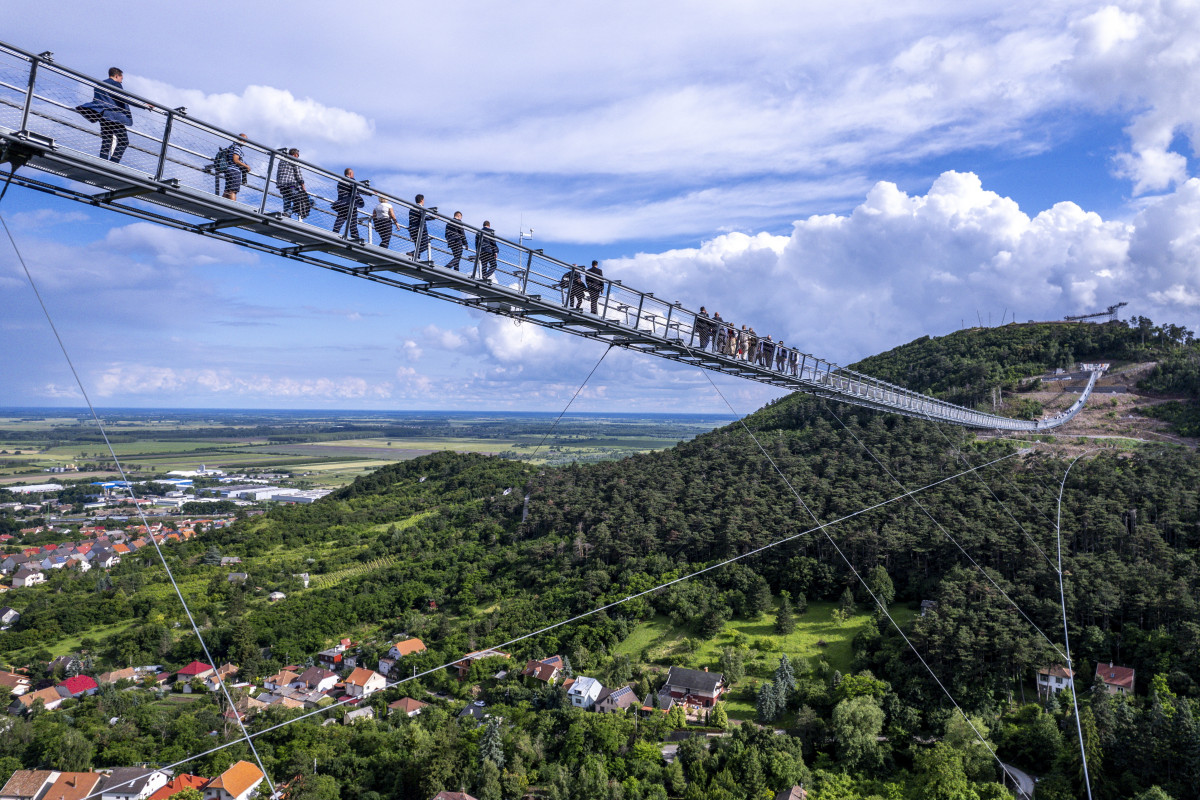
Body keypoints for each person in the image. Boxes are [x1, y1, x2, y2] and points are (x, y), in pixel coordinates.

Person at [75, 67, 147, 163]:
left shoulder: (99, 85)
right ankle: (113, 162)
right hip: (114, 116)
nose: (121, 82)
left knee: (107, 140)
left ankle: (103, 163)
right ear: (117, 76)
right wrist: (144, 105)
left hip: (102, 115)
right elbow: (125, 99)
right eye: (121, 79)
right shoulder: (115, 84)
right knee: (124, 141)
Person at [332, 168, 367, 241]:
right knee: (353, 223)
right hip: (350, 204)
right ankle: (355, 238)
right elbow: (357, 189)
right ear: (350, 173)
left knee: (340, 220)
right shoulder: (351, 180)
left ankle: (334, 234)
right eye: (353, 174)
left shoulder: (340, 181)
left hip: (342, 204)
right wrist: (370, 193)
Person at [276, 148, 308, 218]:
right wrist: (303, 187)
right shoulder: (294, 160)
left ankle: (287, 217)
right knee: (303, 199)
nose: (298, 157)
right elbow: (298, 175)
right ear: (295, 155)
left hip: (282, 186)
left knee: (287, 201)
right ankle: (288, 213)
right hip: (291, 186)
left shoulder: (282, 160)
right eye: (298, 155)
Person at [220, 134, 251, 201]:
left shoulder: (232, 146)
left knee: (227, 191)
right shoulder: (237, 147)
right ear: (241, 139)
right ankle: (232, 207)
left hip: (228, 170)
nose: (245, 142)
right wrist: (246, 166)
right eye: (245, 140)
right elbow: (235, 159)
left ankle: (220, 205)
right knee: (233, 191)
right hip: (234, 171)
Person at [408, 194, 431, 261]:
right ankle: (412, 253)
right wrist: (433, 217)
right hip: (420, 230)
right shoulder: (420, 208)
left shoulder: (412, 208)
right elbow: (423, 217)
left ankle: (417, 259)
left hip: (413, 230)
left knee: (418, 246)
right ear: (422, 200)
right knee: (425, 245)